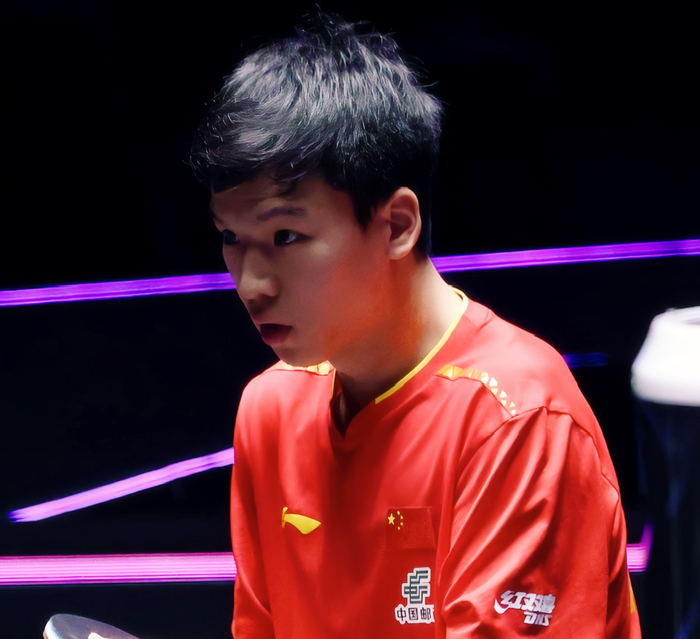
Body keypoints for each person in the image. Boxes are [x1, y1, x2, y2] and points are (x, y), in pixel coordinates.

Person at [190, 12, 642, 638]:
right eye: (230, 238)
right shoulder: (268, 410)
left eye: (285, 236)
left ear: (397, 225)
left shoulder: (517, 422)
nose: (250, 283)